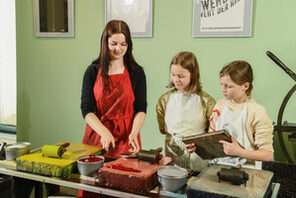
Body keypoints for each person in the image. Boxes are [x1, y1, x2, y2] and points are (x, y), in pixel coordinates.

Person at [79, 20, 147, 197]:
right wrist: (104, 132)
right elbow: (86, 109)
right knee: (94, 189)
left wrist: (134, 132)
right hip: (97, 138)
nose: (118, 49)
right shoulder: (93, 71)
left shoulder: (136, 72)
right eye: (114, 44)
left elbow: (140, 108)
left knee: (123, 188)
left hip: (127, 138)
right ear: (105, 43)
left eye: (123, 44)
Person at [185, 60, 274, 168]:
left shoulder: (257, 112)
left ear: (245, 86)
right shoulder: (220, 105)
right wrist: (198, 148)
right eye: (221, 84)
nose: (223, 89)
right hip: (219, 169)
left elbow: (268, 155)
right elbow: (211, 140)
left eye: (229, 86)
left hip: (247, 174)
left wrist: (239, 152)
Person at [156, 51, 216, 172]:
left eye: (181, 76)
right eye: (173, 75)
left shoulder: (206, 101)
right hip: (172, 153)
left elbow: (213, 133)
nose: (176, 79)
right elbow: (163, 129)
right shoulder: (164, 100)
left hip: (198, 156)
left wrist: (199, 143)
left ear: (193, 75)